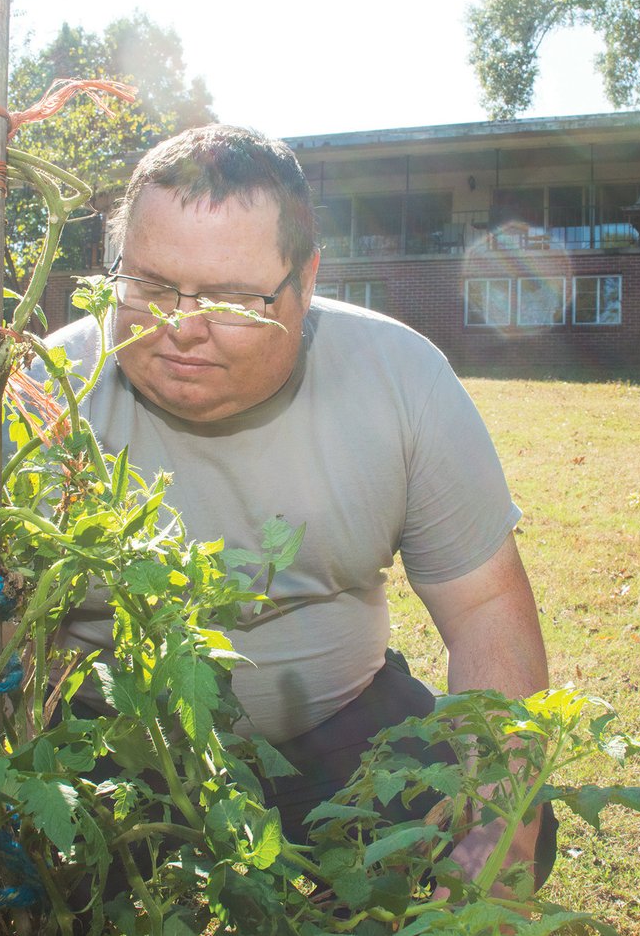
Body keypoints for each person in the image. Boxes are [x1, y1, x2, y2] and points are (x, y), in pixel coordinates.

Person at [47, 123, 556, 893]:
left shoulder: (400, 378)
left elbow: (484, 606)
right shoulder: (40, 400)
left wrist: (497, 812)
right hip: (107, 756)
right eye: (150, 286)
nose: (181, 327)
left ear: (306, 281)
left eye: (230, 298)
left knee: (511, 818)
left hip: (342, 737)